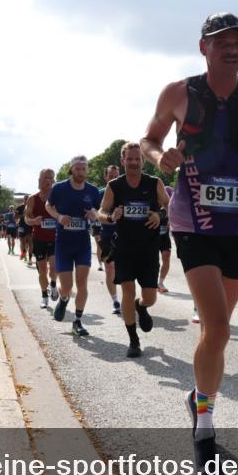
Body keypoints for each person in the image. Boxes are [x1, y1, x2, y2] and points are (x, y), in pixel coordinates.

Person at [140, 12, 238, 475]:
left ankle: (197, 396)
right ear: (203, 47)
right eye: (221, 41)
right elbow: (148, 139)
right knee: (219, 324)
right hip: (194, 223)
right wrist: (156, 156)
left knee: (217, 329)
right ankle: (205, 425)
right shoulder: (179, 93)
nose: (231, 48)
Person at [99, 142, 170, 357]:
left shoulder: (154, 182)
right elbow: (101, 211)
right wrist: (112, 217)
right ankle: (133, 340)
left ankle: (142, 307)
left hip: (148, 248)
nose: (133, 162)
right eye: (129, 159)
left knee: (150, 297)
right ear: (123, 161)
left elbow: (169, 205)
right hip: (124, 248)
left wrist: (160, 215)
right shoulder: (115, 186)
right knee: (127, 292)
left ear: (143, 160)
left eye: (137, 159)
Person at [46, 155, 103, 336]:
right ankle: (63, 299)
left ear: (87, 171)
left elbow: (100, 210)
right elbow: (49, 205)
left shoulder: (93, 191)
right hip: (63, 243)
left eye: (83, 169)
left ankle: (77, 321)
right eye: (77, 169)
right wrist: (58, 217)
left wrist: (95, 214)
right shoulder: (60, 188)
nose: (80, 172)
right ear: (72, 170)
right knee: (68, 286)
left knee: (82, 283)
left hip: (82, 244)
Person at [25, 169, 60, 309]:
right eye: (46, 177)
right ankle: (44, 296)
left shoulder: (58, 197)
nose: (49, 180)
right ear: (39, 180)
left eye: (51, 178)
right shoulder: (33, 199)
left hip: (55, 238)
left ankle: (53, 284)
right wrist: (34, 222)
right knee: (42, 270)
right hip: (39, 238)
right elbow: (26, 218)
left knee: (53, 267)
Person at [97, 164, 122, 314]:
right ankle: (115, 301)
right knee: (109, 269)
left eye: (116, 176)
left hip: (125, 235)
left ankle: (128, 297)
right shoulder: (99, 193)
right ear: (105, 177)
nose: (114, 179)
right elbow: (94, 212)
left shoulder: (126, 191)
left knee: (126, 269)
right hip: (106, 235)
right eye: (111, 176)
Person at [157, 185, 174, 293]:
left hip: (164, 237)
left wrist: (171, 222)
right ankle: (151, 281)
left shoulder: (171, 209)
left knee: (166, 256)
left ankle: (161, 282)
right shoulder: (153, 206)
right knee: (154, 261)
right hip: (151, 238)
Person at [17, 195, 31, 262]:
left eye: (27, 199)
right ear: (24, 200)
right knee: (22, 241)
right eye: (25, 199)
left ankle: (26, 254)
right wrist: (23, 215)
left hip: (29, 225)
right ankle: (23, 254)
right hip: (21, 225)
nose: (26, 200)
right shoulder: (19, 207)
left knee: (28, 242)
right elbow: (15, 217)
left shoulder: (32, 206)